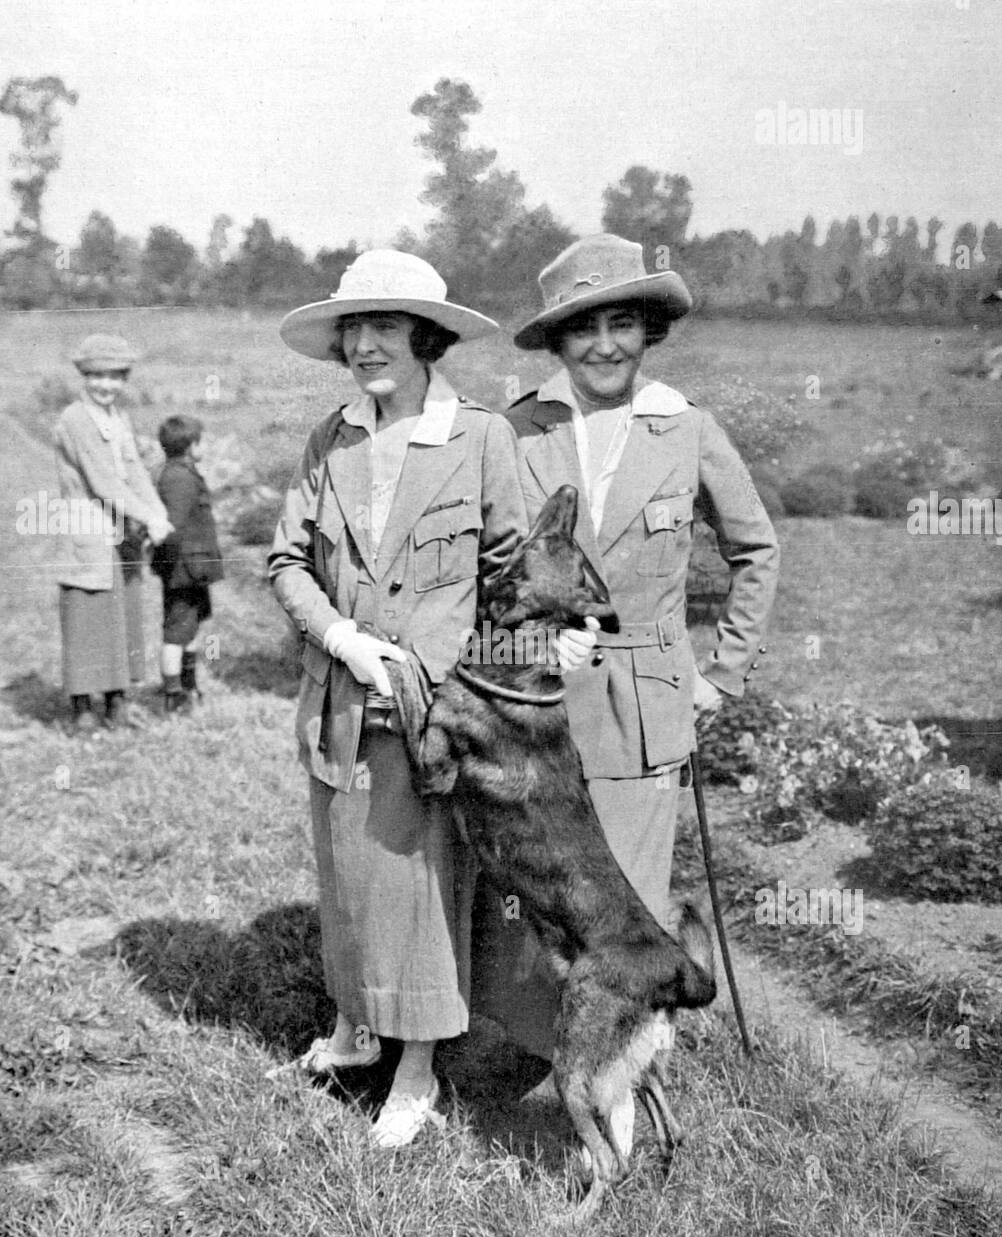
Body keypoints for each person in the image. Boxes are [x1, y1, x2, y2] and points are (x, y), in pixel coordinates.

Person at [473, 234, 780, 1147]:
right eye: (584, 331)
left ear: (647, 331)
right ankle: (539, 1054)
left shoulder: (689, 429)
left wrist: (721, 675)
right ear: (556, 344)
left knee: (629, 906)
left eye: (622, 326)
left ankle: (619, 1102)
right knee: (534, 893)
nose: (605, 346)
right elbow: (490, 559)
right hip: (537, 707)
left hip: (647, 704)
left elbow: (757, 550)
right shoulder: (519, 429)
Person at [269, 249, 559, 1147]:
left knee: (421, 884)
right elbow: (287, 562)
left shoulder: (480, 438)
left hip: (430, 716)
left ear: (426, 338)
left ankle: (420, 1070)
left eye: (383, 328)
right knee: (349, 874)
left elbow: (512, 576)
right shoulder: (334, 437)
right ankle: (358, 1030)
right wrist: (344, 640)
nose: (364, 347)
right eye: (352, 330)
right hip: (340, 702)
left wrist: (466, 682)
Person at [53, 333, 172, 732]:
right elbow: (103, 482)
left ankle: (117, 702)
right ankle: (83, 708)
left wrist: (157, 512)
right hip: (88, 533)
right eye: (98, 376)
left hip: (122, 532)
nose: (107, 385)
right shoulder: (75, 419)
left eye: (116, 377)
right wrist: (149, 518)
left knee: (124, 615)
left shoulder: (117, 417)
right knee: (87, 617)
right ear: (84, 376)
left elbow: (133, 470)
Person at [151, 414, 224, 714]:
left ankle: (189, 687)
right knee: (176, 633)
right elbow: (172, 529)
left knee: (190, 628)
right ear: (192, 445)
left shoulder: (182, 472)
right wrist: (170, 568)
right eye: (202, 440)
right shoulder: (179, 477)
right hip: (184, 570)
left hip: (192, 570)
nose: (204, 445)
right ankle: (173, 697)